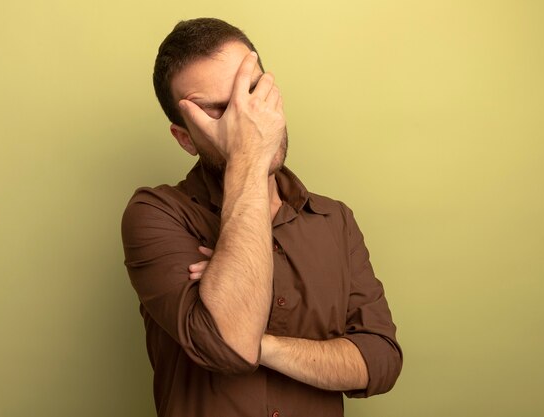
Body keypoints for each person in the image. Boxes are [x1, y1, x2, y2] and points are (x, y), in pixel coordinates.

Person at [121, 17, 402, 417]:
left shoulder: (334, 220)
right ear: (185, 137)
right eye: (219, 108)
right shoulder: (156, 213)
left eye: (251, 92)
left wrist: (263, 344)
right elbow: (229, 348)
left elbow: (381, 362)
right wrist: (249, 158)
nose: (246, 118)